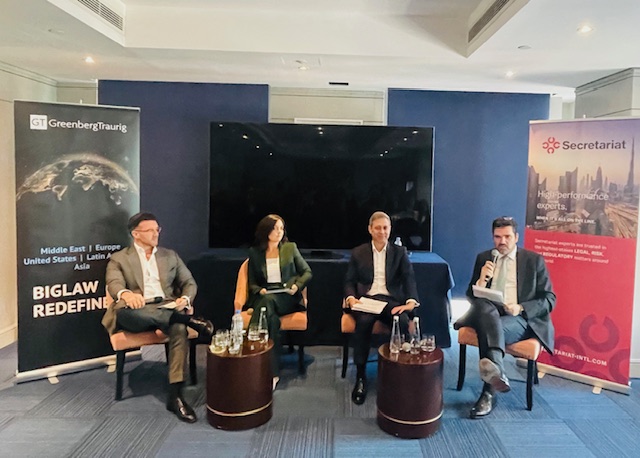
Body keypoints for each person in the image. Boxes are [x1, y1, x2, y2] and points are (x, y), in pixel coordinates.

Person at [102, 212, 214, 423]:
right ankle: (188, 320)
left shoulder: (169, 255)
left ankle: (175, 395)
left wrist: (185, 299)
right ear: (136, 234)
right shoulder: (119, 258)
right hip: (135, 312)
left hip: (166, 307)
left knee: (178, 328)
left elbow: (189, 282)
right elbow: (114, 283)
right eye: (150, 230)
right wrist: (127, 295)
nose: (156, 234)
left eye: (157, 229)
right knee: (127, 312)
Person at [455, 216, 556, 419]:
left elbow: (549, 299)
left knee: (490, 327)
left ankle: (489, 392)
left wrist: (521, 307)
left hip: (517, 317)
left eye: (507, 237)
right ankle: (497, 374)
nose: (502, 241)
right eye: (497, 237)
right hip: (487, 311)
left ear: (516, 237)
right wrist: (481, 281)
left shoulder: (533, 260)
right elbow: (471, 296)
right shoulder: (484, 258)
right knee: (485, 311)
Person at [344, 211, 419, 405]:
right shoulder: (358, 252)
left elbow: (408, 278)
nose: (382, 232)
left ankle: (400, 372)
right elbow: (349, 280)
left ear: (390, 229)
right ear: (370, 229)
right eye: (378, 228)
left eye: (385, 228)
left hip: (389, 300)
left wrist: (410, 301)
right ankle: (361, 376)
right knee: (364, 322)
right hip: (366, 299)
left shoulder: (399, 252)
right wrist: (351, 298)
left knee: (402, 321)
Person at [246, 214, 312, 389]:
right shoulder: (255, 253)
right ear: (266, 230)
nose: (279, 232)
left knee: (266, 304)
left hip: (287, 296)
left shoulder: (290, 248)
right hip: (265, 295)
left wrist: (297, 286)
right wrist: (259, 290)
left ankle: (250, 352)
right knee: (272, 321)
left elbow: (307, 272)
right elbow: (252, 283)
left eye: (281, 228)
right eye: (275, 228)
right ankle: (272, 372)